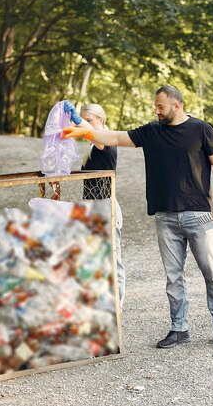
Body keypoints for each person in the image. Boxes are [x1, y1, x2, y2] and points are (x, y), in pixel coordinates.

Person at [62, 85, 213, 348]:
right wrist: (87, 131)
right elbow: (116, 138)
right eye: (155, 106)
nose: (156, 110)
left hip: (198, 214)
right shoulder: (152, 132)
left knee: (212, 272)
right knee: (173, 277)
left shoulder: (201, 129)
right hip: (165, 216)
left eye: (160, 106)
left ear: (176, 105)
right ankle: (179, 329)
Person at [79, 104, 126, 309]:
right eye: (83, 119)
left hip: (105, 205)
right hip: (91, 206)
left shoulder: (105, 138)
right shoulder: (92, 145)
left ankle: (118, 302)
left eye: (89, 120)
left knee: (112, 256)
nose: (85, 124)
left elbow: (93, 136)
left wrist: (78, 123)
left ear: (101, 119)